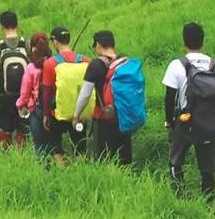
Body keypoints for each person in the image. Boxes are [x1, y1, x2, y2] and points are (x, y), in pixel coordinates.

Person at [164, 22, 215, 197]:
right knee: (207, 169)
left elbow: (169, 97)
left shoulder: (177, 65)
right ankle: (208, 203)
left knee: (175, 162)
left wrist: (169, 121)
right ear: (203, 42)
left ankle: (180, 198)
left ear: (184, 42)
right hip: (209, 123)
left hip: (184, 121)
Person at [75, 30, 145, 165]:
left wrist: (76, 115)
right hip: (124, 117)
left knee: (105, 159)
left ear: (99, 45)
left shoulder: (96, 64)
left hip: (104, 119)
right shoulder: (125, 63)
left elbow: (85, 94)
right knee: (124, 160)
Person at [0, 10, 33, 148]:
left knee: (5, 127)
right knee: (22, 127)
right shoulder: (26, 45)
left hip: (5, 95)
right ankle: (21, 154)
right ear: (17, 25)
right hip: (24, 96)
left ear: (1, 26)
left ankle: (5, 154)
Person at [43, 26, 89, 157]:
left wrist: (46, 115)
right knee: (80, 147)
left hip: (57, 112)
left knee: (56, 146)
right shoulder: (85, 60)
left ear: (55, 42)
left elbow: (47, 92)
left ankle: (62, 171)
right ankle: (82, 170)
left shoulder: (50, 63)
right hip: (80, 112)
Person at [17, 31, 54, 158]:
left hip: (36, 109)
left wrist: (20, 104)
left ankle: (44, 169)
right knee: (53, 142)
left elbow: (25, 93)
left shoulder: (31, 67)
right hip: (53, 108)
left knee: (39, 144)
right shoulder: (55, 63)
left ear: (33, 47)